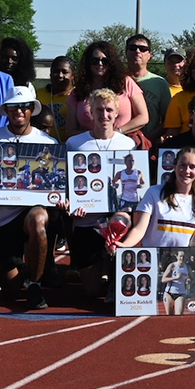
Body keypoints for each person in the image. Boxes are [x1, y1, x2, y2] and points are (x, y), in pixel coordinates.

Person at [0, 87, 62, 309]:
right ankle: (21, 270)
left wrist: (60, 198)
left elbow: (54, 184)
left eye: (24, 106)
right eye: (14, 106)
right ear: (6, 110)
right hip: (1, 220)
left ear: (32, 110)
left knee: (38, 220)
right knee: (11, 293)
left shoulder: (48, 143)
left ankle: (35, 284)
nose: (19, 111)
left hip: (32, 211)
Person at [64, 88, 138, 307]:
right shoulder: (75, 143)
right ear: (90, 113)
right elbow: (68, 183)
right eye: (99, 110)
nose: (104, 115)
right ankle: (103, 270)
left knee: (120, 220)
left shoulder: (128, 145)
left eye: (108, 110)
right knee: (90, 292)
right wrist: (71, 203)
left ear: (117, 113)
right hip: (87, 219)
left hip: (116, 217)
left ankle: (116, 278)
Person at [125, 146, 195, 248]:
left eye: (192, 167)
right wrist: (123, 246)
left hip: (183, 260)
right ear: (174, 166)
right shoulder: (154, 192)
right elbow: (139, 229)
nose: (186, 171)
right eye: (182, 165)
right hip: (154, 259)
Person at [68, 41, 149, 143]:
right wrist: (94, 137)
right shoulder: (78, 91)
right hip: (89, 147)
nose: (100, 64)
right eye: (95, 60)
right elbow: (70, 130)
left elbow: (143, 117)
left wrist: (116, 133)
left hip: (123, 143)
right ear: (88, 62)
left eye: (105, 61)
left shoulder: (126, 83)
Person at [125, 34, 172, 145]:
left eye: (143, 49)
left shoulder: (159, 83)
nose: (137, 51)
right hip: (121, 141)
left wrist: (147, 138)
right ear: (126, 52)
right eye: (132, 48)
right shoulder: (116, 81)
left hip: (150, 144)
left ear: (149, 55)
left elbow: (168, 120)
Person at [36, 54, 77, 141]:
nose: (60, 75)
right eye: (56, 71)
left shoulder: (79, 95)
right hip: (45, 146)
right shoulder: (38, 94)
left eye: (65, 72)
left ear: (73, 75)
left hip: (73, 147)